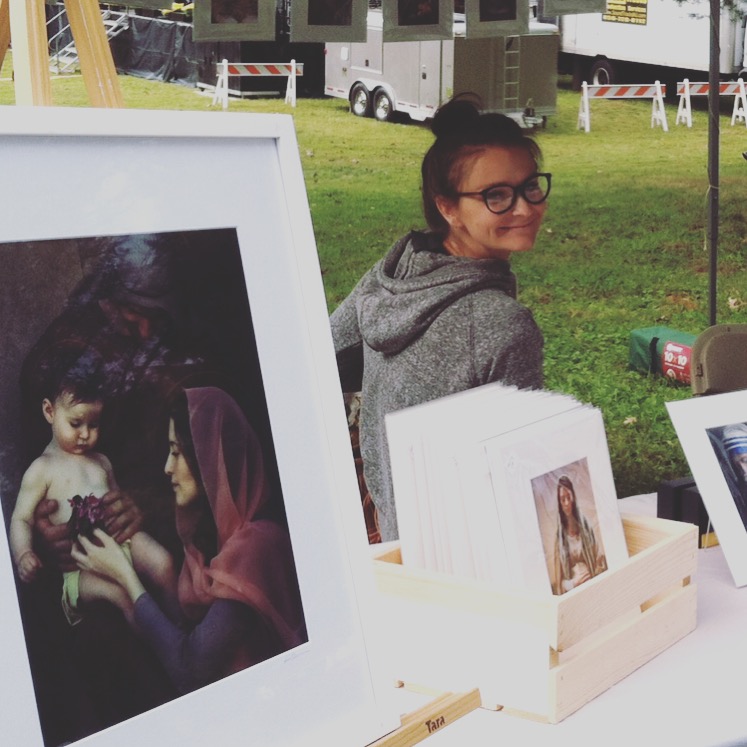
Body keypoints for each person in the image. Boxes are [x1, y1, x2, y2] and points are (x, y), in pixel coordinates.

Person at [331, 95, 548, 541]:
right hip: (461, 555)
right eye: (497, 196)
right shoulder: (504, 325)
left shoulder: (393, 273)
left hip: (388, 529)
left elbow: (324, 358)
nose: (524, 208)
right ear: (448, 207)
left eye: (530, 186)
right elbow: (523, 477)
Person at [72, 387, 307, 694]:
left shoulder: (257, 548)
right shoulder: (209, 543)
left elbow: (191, 670)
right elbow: (181, 632)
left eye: (177, 451)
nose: (167, 467)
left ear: (206, 455)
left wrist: (126, 576)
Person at [10, 364, 174, 627]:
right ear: (49, 411)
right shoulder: (42, 469)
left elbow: (119, 505)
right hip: (80, 566)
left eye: (94, 424)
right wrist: (23, 554)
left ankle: (179, 627)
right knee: (123, 595)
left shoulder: (102, 461)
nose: (85, 434)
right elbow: (21, 519)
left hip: (121, 543)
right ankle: (157, 643)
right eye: (76, 423)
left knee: (164, 563)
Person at [552, 475, 607, 595]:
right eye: (562, 499)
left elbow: (600, 560)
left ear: (573, 497)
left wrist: (592, 576)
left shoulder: (586, 527)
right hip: (574, 592)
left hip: (593, 584)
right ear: (559, 503)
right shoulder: (559, 538)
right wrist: (573, 583)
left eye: (568, 497)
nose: (566, 503)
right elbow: (558, 581)